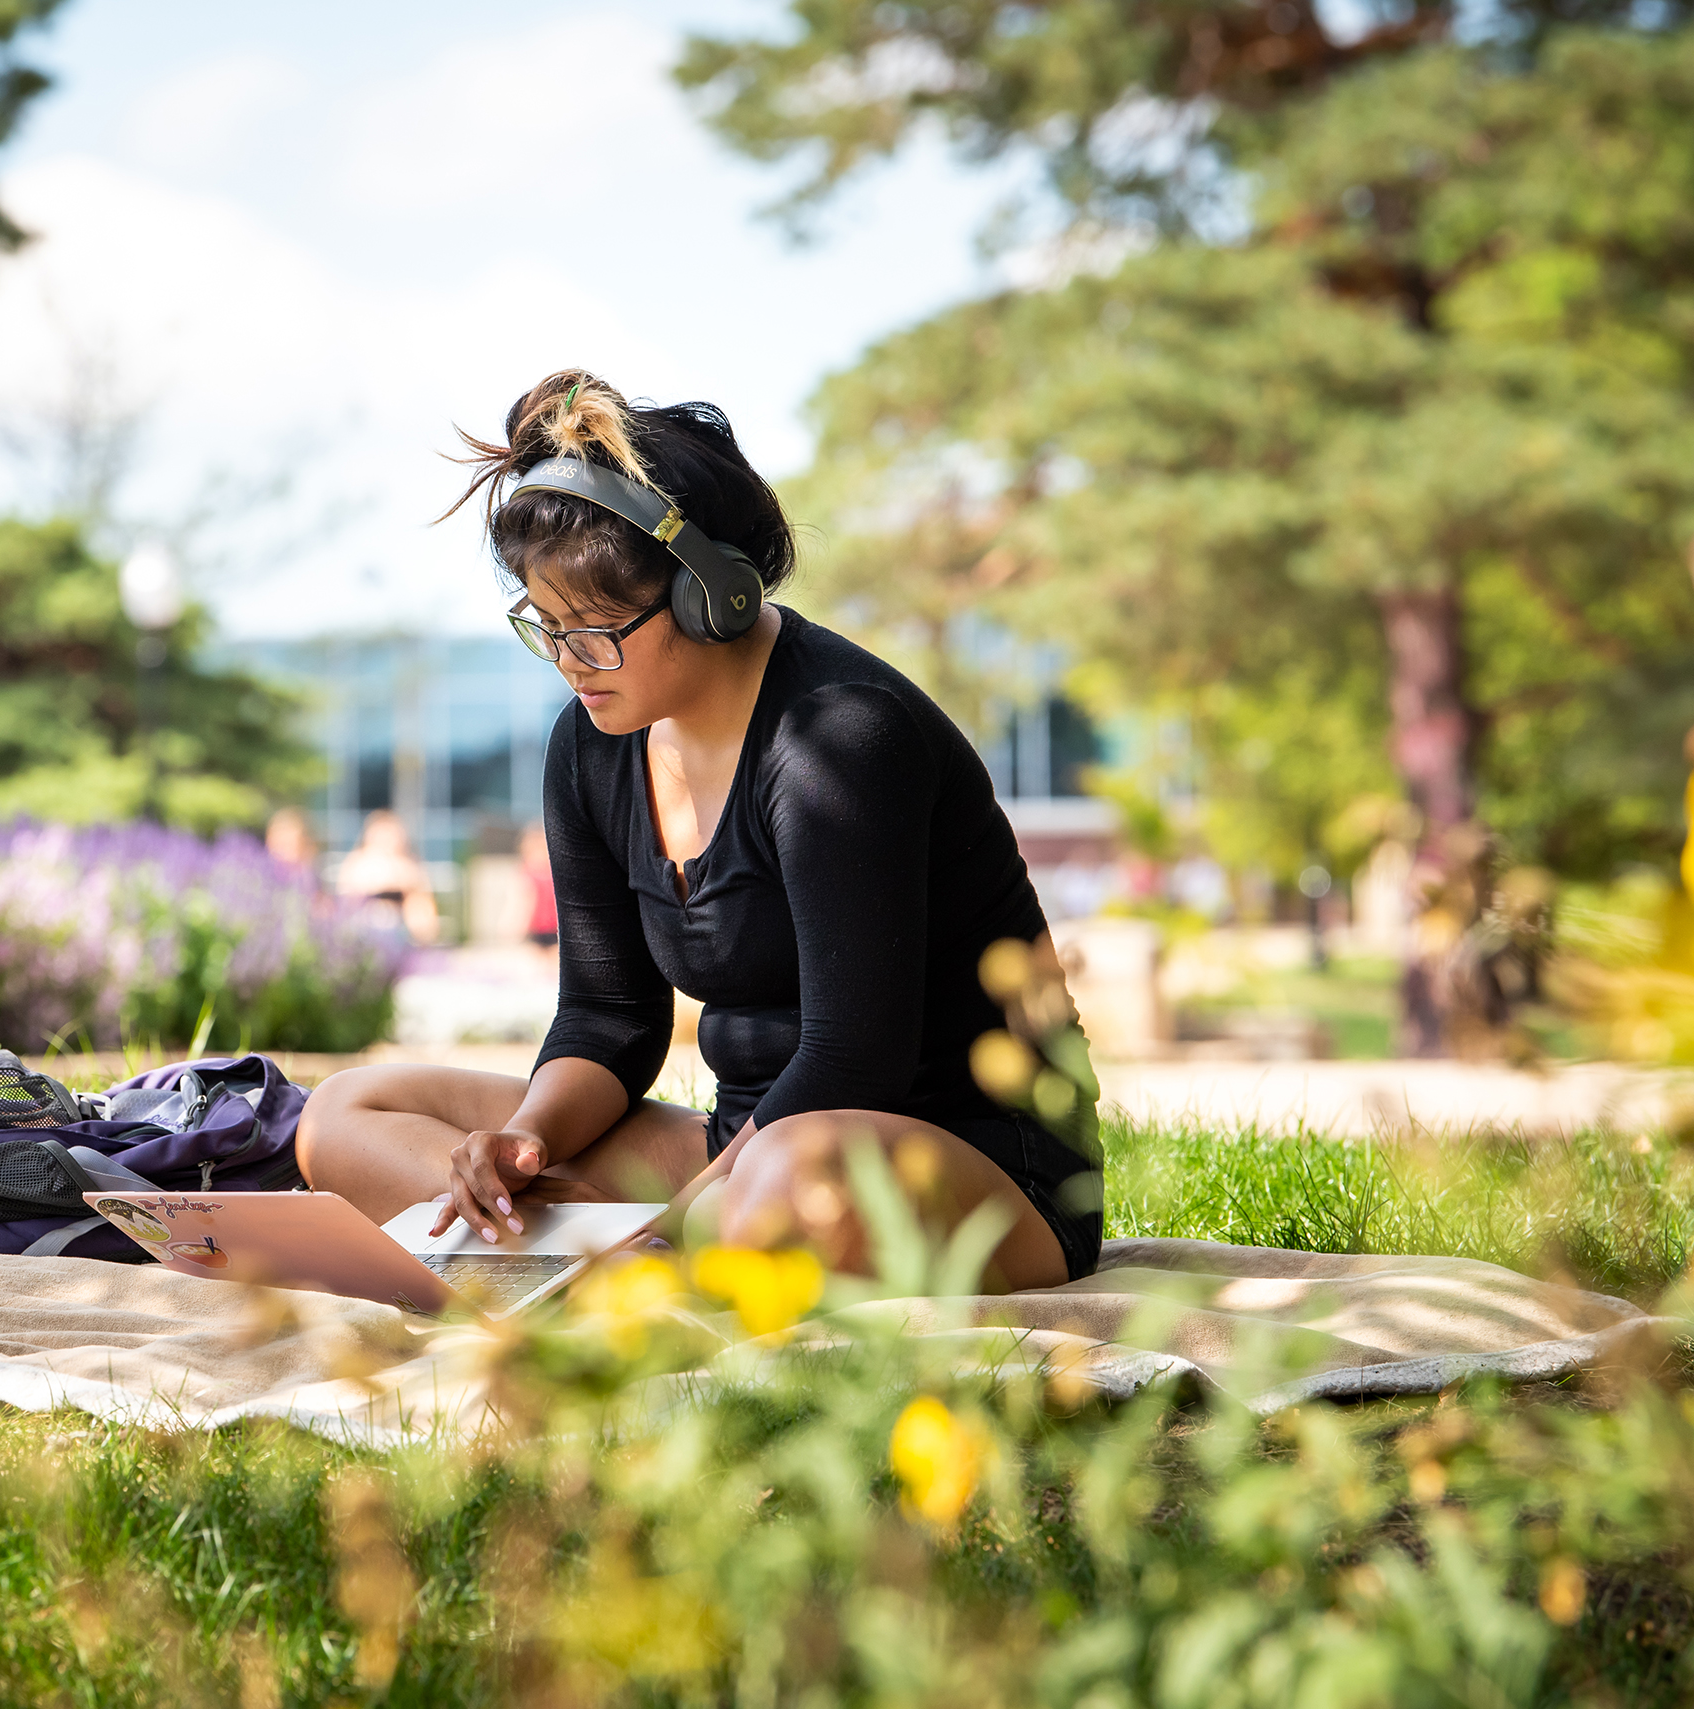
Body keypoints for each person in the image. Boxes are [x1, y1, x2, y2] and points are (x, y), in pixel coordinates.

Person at [295, 371, 1101, 1291]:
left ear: (706, 596)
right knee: (347, 1112)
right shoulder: (594, 744)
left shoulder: (840, 735)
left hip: (962, 1169)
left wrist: (682, 1218)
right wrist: (527, 1141)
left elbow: (855, 1057)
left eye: (595, 631)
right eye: (546, 627)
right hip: (739, 1155)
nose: (568, 663)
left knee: (776, 1192)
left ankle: (610, 1264)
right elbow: (611, 1016)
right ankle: (597, 1262)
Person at [334, 809, 441, 945]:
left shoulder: (411, 866)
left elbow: (425, 910)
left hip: (403, 932)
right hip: (364, 930)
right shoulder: (357, 863)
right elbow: (346, 901)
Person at [519, 820, 558, 949]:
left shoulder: (554, 873)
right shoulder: (528, 874)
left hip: (555, 926)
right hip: (538, 928)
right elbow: (524, 902)